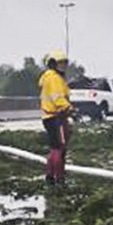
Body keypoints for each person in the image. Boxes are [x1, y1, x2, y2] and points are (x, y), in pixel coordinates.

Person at [39, 51, 73, 185]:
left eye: (65, 62)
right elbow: (57, 97)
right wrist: (69, 108)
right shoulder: (54, 78)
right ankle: (59, 178)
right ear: (53, 64)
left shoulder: (50, 77)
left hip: (50, 117)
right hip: (56, 118)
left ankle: (50, 176)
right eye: (60, 62)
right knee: (59, 148)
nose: (64, 65)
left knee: (54, 148)